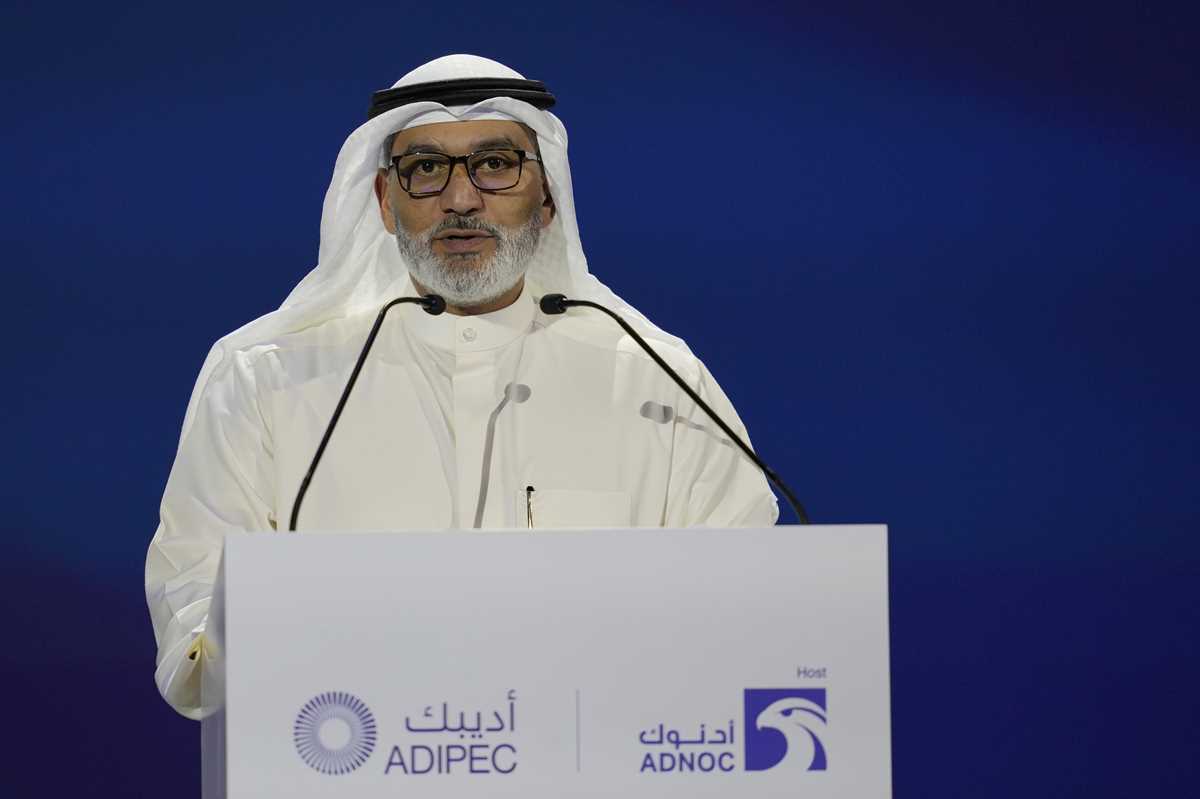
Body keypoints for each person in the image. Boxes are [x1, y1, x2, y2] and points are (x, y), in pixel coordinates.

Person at [145, 54, 778, 719]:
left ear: (548, 196)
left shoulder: (657, 380)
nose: (461, 199)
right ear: (385, 202)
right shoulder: (265, 376)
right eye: (426, 169)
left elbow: (746, 600)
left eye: (495, 164)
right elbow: (195, 607)